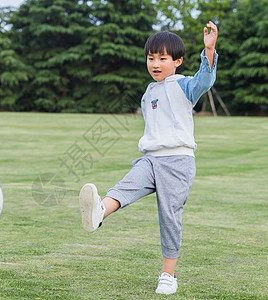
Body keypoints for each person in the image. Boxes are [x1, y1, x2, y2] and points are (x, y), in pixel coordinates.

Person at [79, 21, 218, 295]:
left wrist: (209, 50)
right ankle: (99, 211)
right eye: (151, 58)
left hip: (177, 162)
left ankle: (168, 275)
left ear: (177, 61)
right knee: (126, 185)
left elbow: (206, 79)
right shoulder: (148, 92)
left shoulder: (185, 85)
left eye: (162, 58)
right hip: (150, 159)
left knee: (169, 217)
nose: (155, 63)